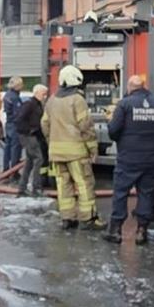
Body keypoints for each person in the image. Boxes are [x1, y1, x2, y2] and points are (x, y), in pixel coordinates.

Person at [104, 75, 154, 245]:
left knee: (120, 193)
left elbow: (113, 131)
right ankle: (142, 230)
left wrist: (110, 122)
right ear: (143, 86)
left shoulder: (125, 104)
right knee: (146, 193)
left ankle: (116, 230)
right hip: (151, 158)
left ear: (129, 87)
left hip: (128, 158)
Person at [41, 66, 106, 231]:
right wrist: (92, 149)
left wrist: (52, 143)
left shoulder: (51, 100)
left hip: (56, 153)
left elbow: (44, 124)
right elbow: (86, 126)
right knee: (84, 184)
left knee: (63, 186)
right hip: (76, 152)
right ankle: (88, 218)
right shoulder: (77, 100)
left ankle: (67, 218)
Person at [15, 84, 48, 196]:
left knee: (29, 161)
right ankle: (36, 188)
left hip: (33, 136)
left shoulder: (37, 105)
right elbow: (19, 119)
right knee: (39, 159)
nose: (45, 97)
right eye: (43, 94)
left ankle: (22, 188)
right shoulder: (29, 104)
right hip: (28, 136)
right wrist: (29, 131)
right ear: (37, 93)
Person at [1, 77, 24, 176]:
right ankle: (14, 171)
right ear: (17, 86)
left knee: (8, 147)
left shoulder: (7, 95)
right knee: (15, 148)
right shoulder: (15, 97)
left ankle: (6, 169)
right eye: (21, 84)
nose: (22, 86)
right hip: (15, 125)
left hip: (9, 124)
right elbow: (18, 113)